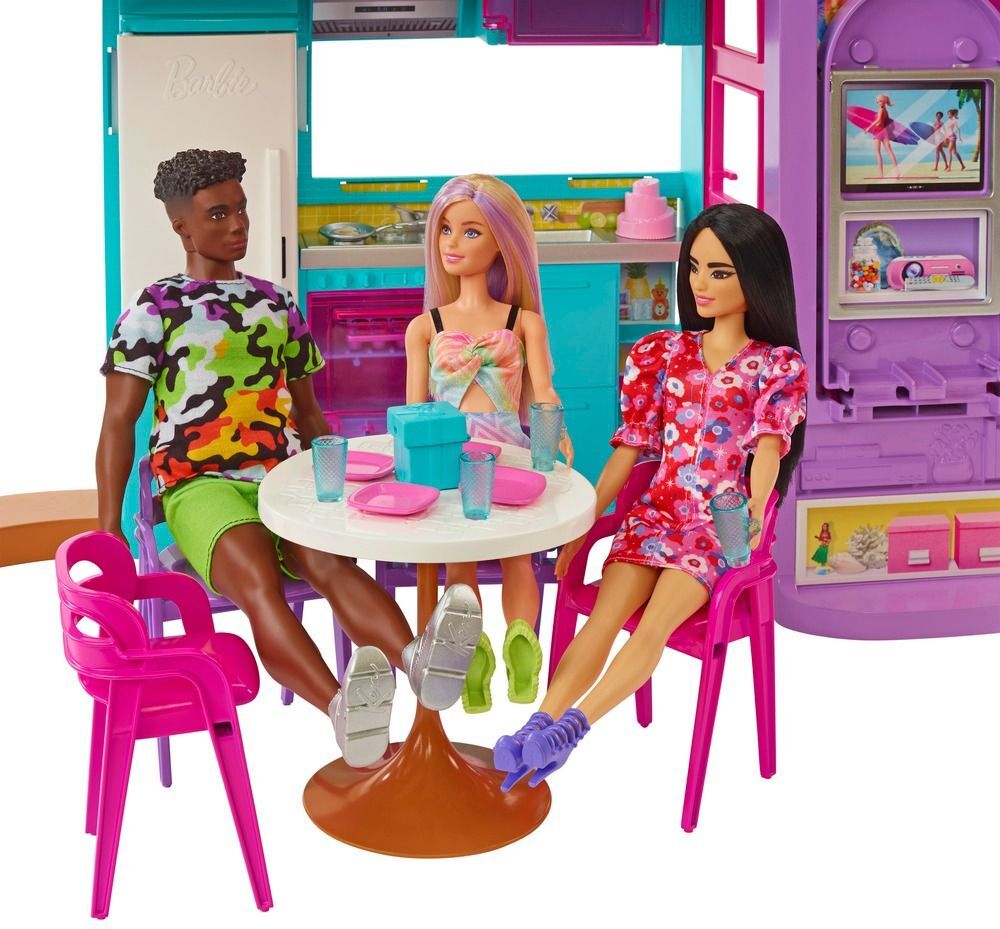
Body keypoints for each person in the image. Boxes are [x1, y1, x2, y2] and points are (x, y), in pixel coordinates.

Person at [97, 149, 481, 767]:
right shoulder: (154, 309)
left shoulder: (276, 303)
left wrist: (336, 484)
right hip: (199, 485)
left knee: (330, 562)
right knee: (259, 584)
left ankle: (417, 661)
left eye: (241, 208)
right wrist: (108, 526)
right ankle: (343, 710)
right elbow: (118, 422)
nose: (237, 224)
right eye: (217, 214)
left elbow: (309, 413)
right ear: (181, 228)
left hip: (285, 479)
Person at [494, 203, 809, 790]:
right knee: (603, 620)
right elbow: (629, 448)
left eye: (720, 271)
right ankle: (537, 723)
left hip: (715, 530)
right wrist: (583, 524)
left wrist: (751, 519)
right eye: (695, 267)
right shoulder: (663, 353)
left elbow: (769, 450)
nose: (700, 283)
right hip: (654, 516)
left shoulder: (776, 366)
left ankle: (570, 732)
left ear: (757, 276)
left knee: (650, 630)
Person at [404, 174, 573, 712]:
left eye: (470, 232)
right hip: (493, 450)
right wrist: (555, 431)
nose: (452, 243)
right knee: (513, 555)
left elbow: (543, 392)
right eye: (445, 230)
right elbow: (415, 411)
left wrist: (556, 433)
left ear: (503, 243)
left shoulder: (520, 322)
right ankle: (517, 640)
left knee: (473, 559)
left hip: (468, 453)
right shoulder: (427, 326)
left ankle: (475, 654)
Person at [864, 93, 900, 179]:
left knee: (878, 152)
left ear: (884, 102)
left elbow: (878, 120)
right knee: (889, 152)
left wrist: (869, 128)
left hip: (878, 131)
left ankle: (881, 175)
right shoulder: (886, 111)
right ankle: (897, 172)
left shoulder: (881, 110)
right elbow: (888, 123)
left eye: (880, 101)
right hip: (884, 131)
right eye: (877, 101)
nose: (878, 103)